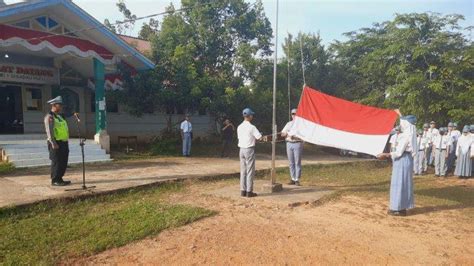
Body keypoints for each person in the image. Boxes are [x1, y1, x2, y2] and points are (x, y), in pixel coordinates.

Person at [377, 110, 417, 216]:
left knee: (399, 184)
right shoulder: (410, 133)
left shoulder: (406, 136)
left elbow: (399, 152)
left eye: (403, 123)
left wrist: (386, 155)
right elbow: (404, 122)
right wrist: (400, 114)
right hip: (405, 160)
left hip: (402, 159)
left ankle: (398, 209)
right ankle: (401, 207)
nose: (401, 124)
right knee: (403, 183)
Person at [44, 96, 71, 186]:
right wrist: (53, 143)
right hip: (56, 143)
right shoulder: (49, 116)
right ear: (54, 105)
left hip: (63, 142)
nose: (61, 107)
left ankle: (60, 178)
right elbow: (49, 131)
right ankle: (55, 180)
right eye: (60, 105)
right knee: (57, 161)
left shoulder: (60, 116)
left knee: (63, 161)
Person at [237, 108, 265, 197]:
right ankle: (249, 191)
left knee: (243, 170)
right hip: (249, 149)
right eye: (251, 115)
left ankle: (243, 190)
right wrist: (260, 135)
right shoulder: (252, 127)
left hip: (241, 149)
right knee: (250, 171)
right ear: (249, 116)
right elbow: (259, 137)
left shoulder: (239, 126)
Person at [281, 108, 303, 186]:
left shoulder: (301, 125)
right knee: (291, 162)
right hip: (289, 143)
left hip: (297, 143)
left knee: (297, 162)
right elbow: (282, 133)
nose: (294, 115)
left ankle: (297, 179)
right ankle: (292, 178)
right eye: (292, 114)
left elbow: (304, 136)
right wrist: (287, 134)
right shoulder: (289, 124)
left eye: (295, 114)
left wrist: (295, 137)